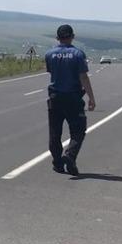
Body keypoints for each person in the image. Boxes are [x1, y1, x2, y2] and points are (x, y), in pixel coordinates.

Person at [45, 24, 96, 176]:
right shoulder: (78, 54)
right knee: (78, 130)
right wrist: (91, 97)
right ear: (72, 36)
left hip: (55, 97)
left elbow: (51, 72)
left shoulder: (49, 54)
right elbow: (83, 77)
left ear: (57, 38)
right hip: (73, 97)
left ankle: (58, 163)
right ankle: (70, 155)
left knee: (55, 133)